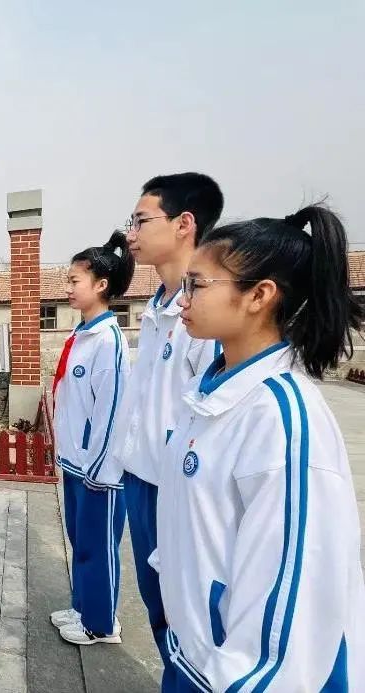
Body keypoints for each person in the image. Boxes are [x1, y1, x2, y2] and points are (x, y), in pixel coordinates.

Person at [157, 205, 365, 692]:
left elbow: (293, 604)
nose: (183, 298)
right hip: (196, 654)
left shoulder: (281, 418)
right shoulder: (210, 393)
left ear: (259, 296)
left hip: (239, 675)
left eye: (197, 285)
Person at [85, 173, 224, 663]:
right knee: (160, 611)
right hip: (142, 478)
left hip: (178, 487)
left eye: (141, 221)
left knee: (189, 621)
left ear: (185, 224)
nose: (131, 234)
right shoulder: (158, 307)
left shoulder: (205, 316)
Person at [50, 231, 134, 645]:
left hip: (98, 470)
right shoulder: (81, 335)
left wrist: (99, 469)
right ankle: (82, 606)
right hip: (75, 461)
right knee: (80, 542)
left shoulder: (108, 342)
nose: (67, 288)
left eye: (74, 281)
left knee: (99, 547)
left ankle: (101, 624)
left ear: (101, 285)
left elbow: (112, 413)